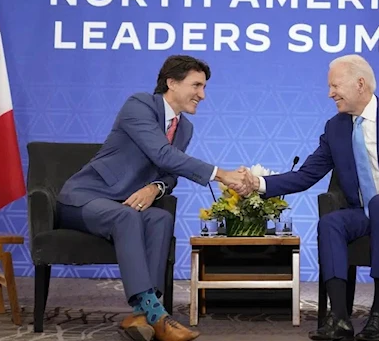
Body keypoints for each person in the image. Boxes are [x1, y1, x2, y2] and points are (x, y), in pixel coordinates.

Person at [244, 54, 379, 341]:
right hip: (368, 213)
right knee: (331, 223)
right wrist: (257, 184)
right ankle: (340, 318)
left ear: (360, 84)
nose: (330, 93)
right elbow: (306, 175)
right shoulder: (336, 127)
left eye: (335, 85)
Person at [56, 55, 252, 341]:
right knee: (126, 216)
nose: (202, 95)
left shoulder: (184, 128)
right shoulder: (139, 105)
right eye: (196, 85)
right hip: (84, 198)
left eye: (204, 87)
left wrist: (155, 188)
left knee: (160, 217)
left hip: (122, 204)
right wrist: (222, 174)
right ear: (171, 82)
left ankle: (142, 313)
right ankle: (157, 315)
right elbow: (163, 154)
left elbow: (169, 172)